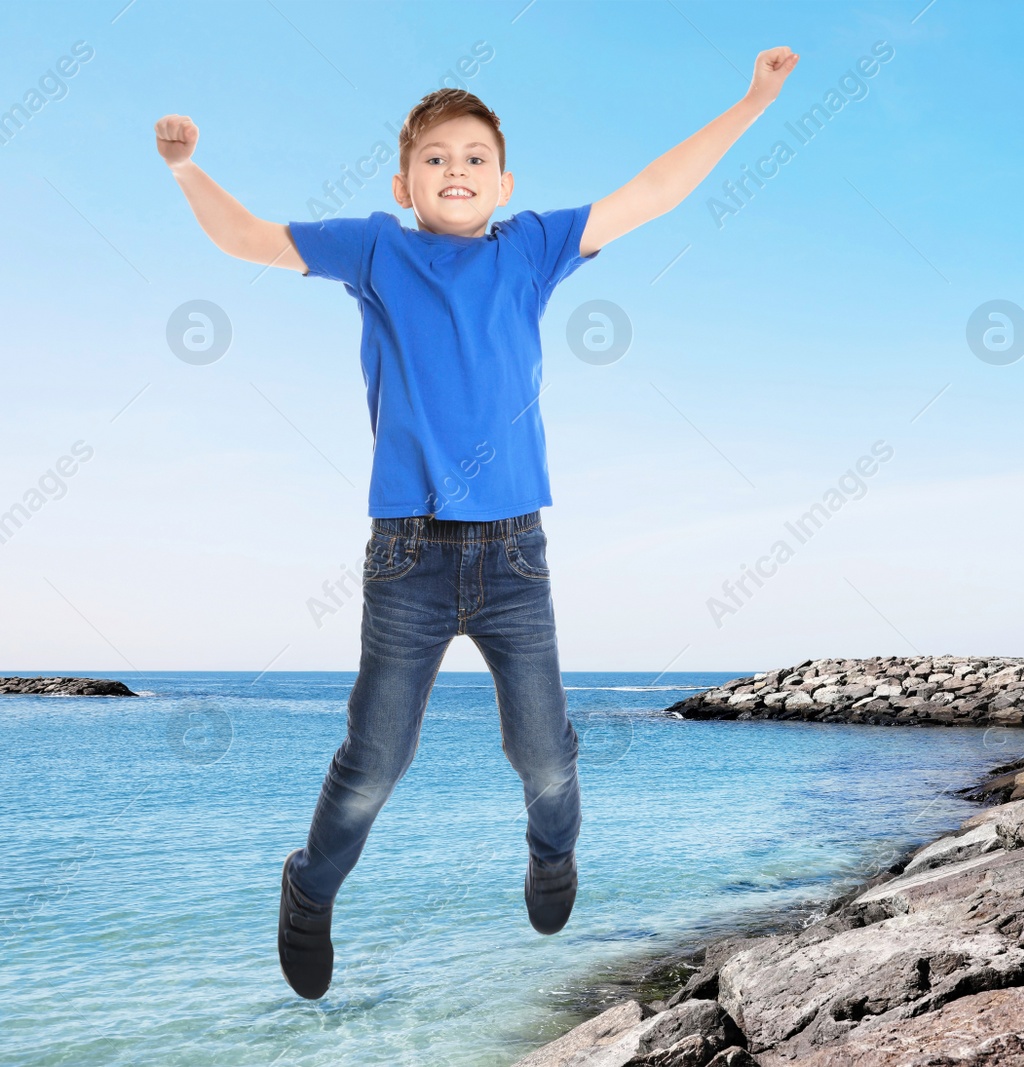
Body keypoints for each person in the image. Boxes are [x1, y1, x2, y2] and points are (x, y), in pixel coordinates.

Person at [153, 45, 798, 1000]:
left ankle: (551, 857)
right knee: (376, 760)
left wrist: (752, 102)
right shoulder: (377, 249)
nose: (456, 170)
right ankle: (309, 885)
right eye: (435, 157)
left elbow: (654, 190)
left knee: (543, 751)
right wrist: (185, 169)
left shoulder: (531, 249)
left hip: (514, 554)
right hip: (407, 555)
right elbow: (247, 239)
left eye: (474, 157)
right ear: (404, 180)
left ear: (504, 180)